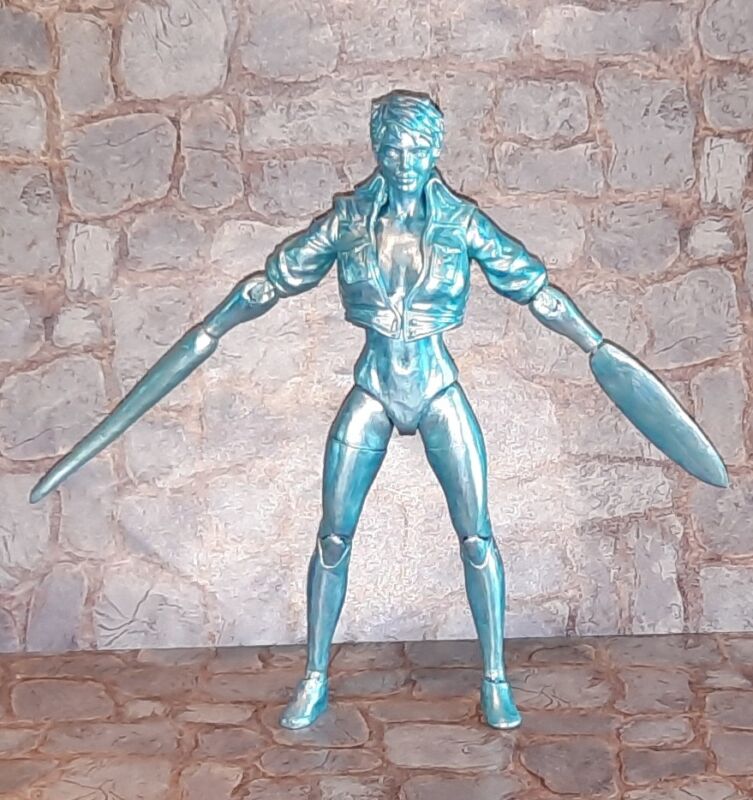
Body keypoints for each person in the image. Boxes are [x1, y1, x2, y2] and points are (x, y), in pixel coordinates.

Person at [30, 90, 728, 731]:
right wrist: (214, 327)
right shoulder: (347, 222)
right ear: (376, 148)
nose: (403, 160)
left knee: (476, 536)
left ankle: (493, 678)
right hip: (371, 389)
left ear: (435, 149)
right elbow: (274, 279)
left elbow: (532, 286)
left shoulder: (462, 223)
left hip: (437, 389)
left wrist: (593, 344)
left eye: (416, 148)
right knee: (333, 537)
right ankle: (313, 677)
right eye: (391, 147)